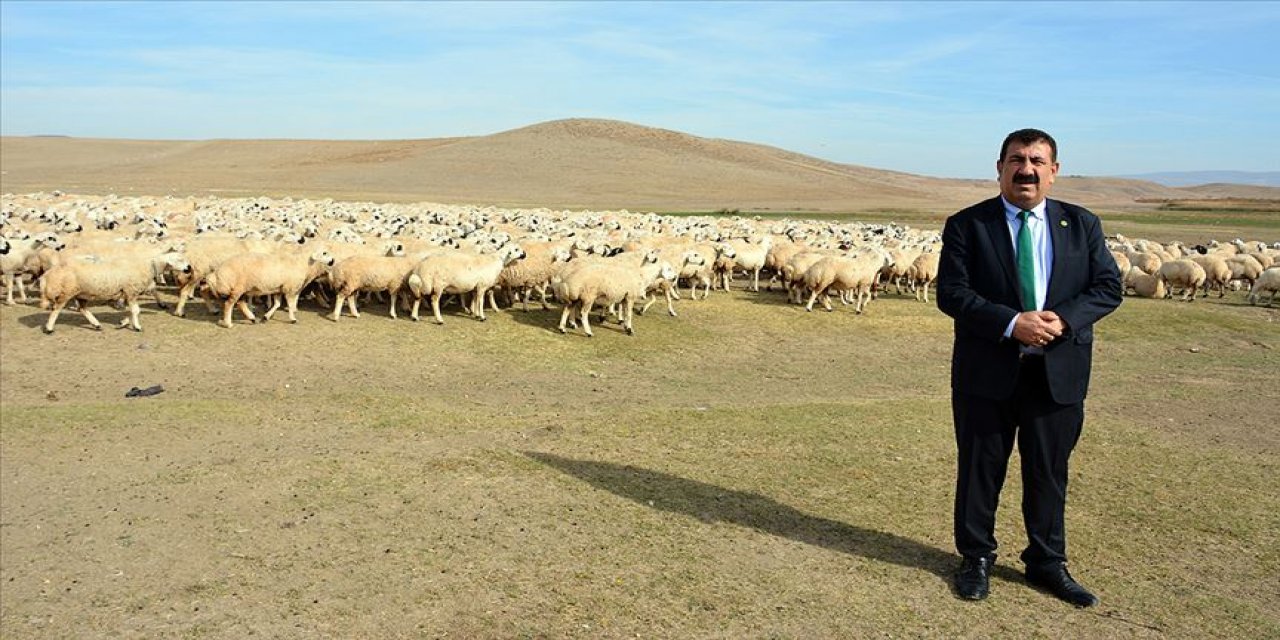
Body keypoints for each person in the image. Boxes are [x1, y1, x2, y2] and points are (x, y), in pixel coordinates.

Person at [935, 129, 1122, 607]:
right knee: (980, 468)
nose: (1027, 169)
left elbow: (1106, 288)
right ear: (999, 167)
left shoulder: (1081, 225)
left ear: (1054, 171)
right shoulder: (967, 225)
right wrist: (1011, 322)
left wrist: (1064, 320)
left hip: (1057, 373)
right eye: (1017, 159)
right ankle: (976, 558)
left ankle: (1046, 562)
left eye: (1038, 160)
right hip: (987, 370)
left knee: (1048, 470)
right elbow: (952, 294)